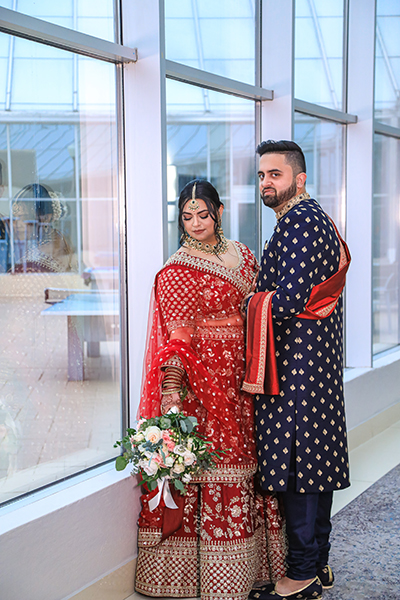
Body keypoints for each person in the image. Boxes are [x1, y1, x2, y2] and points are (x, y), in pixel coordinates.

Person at [135, 179, 286, 600]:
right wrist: (170, 392)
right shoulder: (177, 269)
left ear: (219, 212)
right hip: (204, 384)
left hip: (246, 377)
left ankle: (252, 569)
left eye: (203, 214)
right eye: (187, 216)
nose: (196, 223)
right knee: (215, 463)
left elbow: (261, 307)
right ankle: (204, 580)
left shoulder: (244, 255)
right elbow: (176, 338)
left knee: (248, 462)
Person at [244, 141, 351, 600]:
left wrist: (245, 303)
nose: (267, 182)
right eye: (263, 175)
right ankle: (317, 566)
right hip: (313, 361)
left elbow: (286, 299)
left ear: (299, 179)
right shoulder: (309, 219)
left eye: (276, 175)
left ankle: (303, 575)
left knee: (300, 470)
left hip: (298, 367)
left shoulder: (301, 223)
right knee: (315, 465)